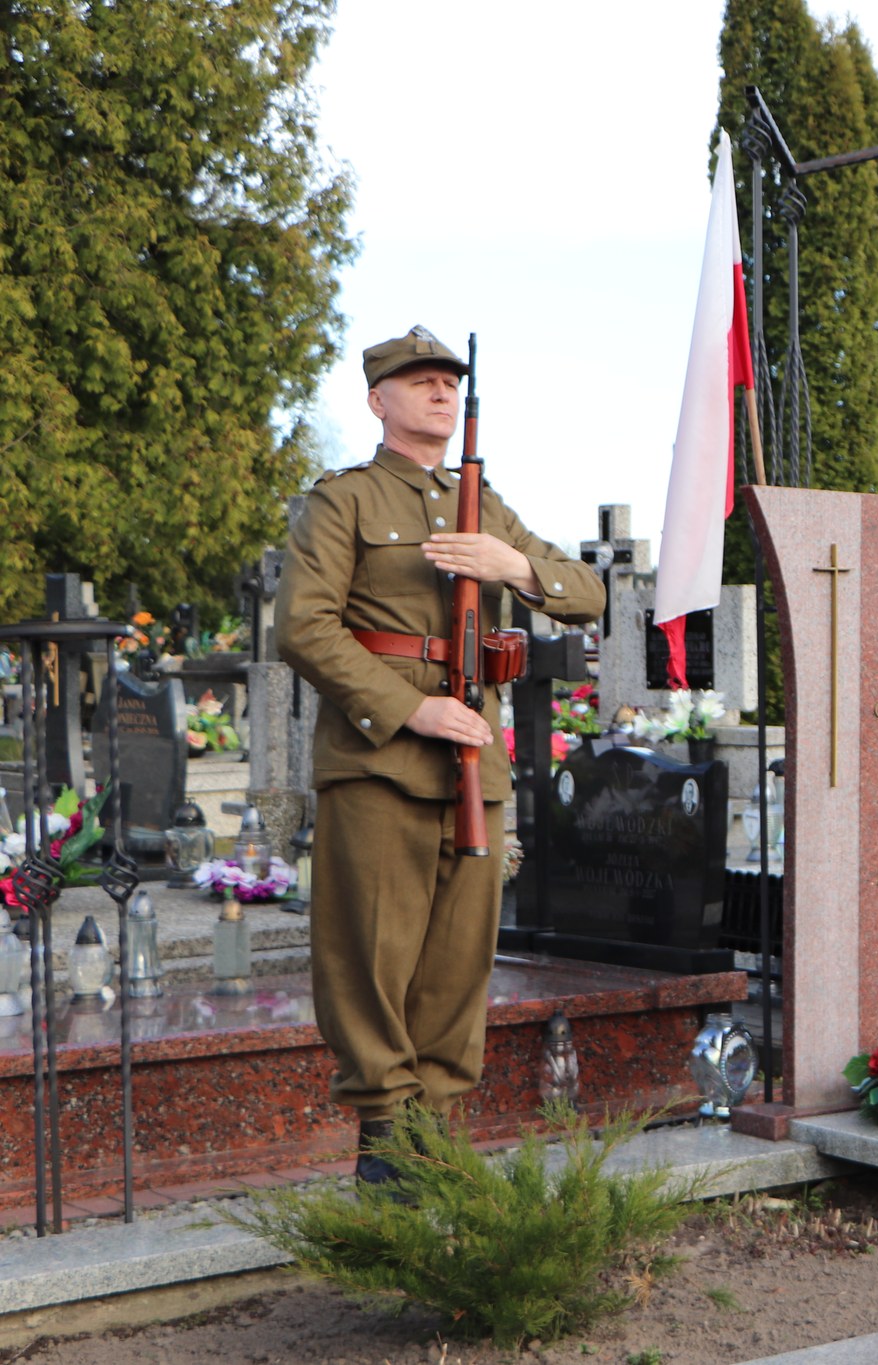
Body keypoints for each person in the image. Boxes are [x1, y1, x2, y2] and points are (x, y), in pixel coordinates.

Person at [276, 326, 604, 1184]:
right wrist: (410, 708)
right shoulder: (344, 500)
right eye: (419, 379)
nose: (440, 390)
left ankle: (436, 1137)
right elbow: (304, 626)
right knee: (371, 957)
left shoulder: (482, 504)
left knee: (460, 964)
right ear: (377, 400)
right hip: (381, 761)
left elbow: (587, 594)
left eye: (449, 380)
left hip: (473, 769)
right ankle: (387, 1150)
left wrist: (513, 564)